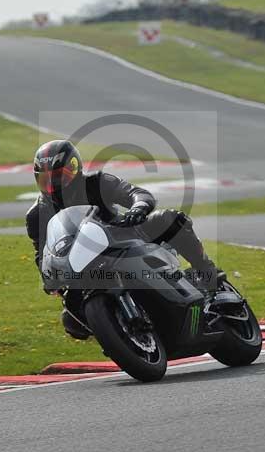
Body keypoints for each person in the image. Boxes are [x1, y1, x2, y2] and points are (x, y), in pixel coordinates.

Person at [25, 139, 224, 339]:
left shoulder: (97, 183)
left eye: (60, 176)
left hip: (125, 238)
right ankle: (118, 333)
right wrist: (50, 278)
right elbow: (41, 253)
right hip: (83, 265)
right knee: (71, 321)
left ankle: (208, 274)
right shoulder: (36, 215)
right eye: (46, 180)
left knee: (171, 219)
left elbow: (135, 193)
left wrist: (138, 208)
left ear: (74, 168)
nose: (53, 185)